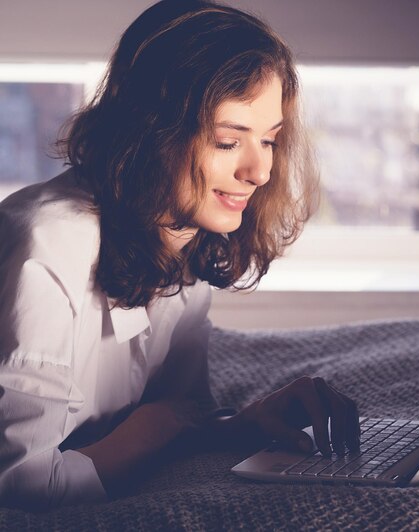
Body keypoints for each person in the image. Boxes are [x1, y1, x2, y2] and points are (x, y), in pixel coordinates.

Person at [0, 0, 360, 510]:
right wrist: (163, 424)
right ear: (150, 133)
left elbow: (183, 410)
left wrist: (242, 424)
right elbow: (20, 484)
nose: (259, 171)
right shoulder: (46, 247)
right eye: (227, 140)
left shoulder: (183, 229)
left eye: (269, 139)